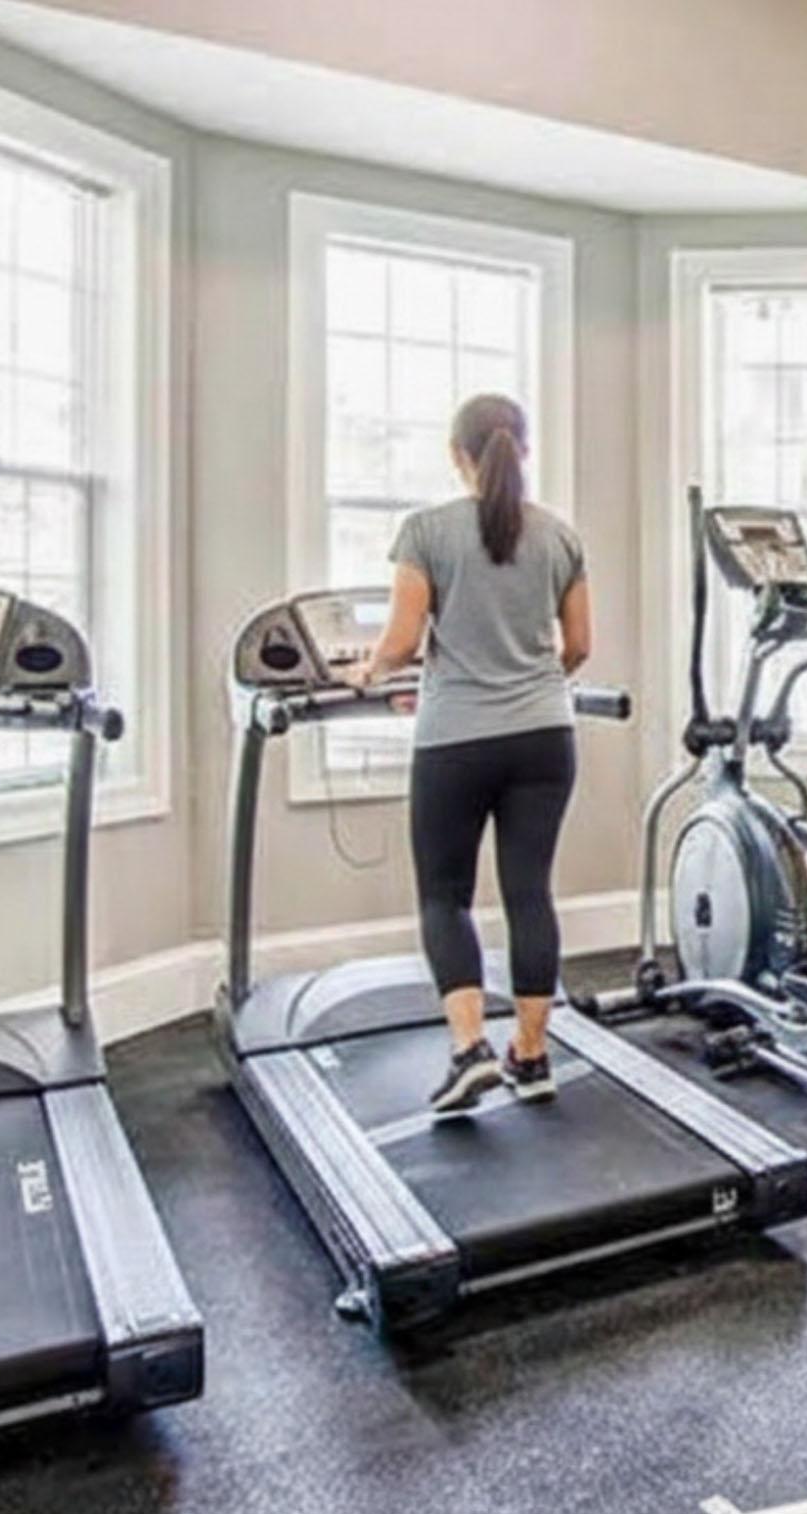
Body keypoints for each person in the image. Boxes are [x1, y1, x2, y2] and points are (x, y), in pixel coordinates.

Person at [342, 394, 593, 1113]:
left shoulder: (426, 530)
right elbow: (578, 648)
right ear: (525, 449)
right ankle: (533, 1055)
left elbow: (397, 643)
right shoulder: (561, 537)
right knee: (529, 894)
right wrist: (529, 685)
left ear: (458, 455)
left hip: (454, 739)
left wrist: (367, 673)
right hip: (547, 737)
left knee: (443, 896)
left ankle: (469, 1051)